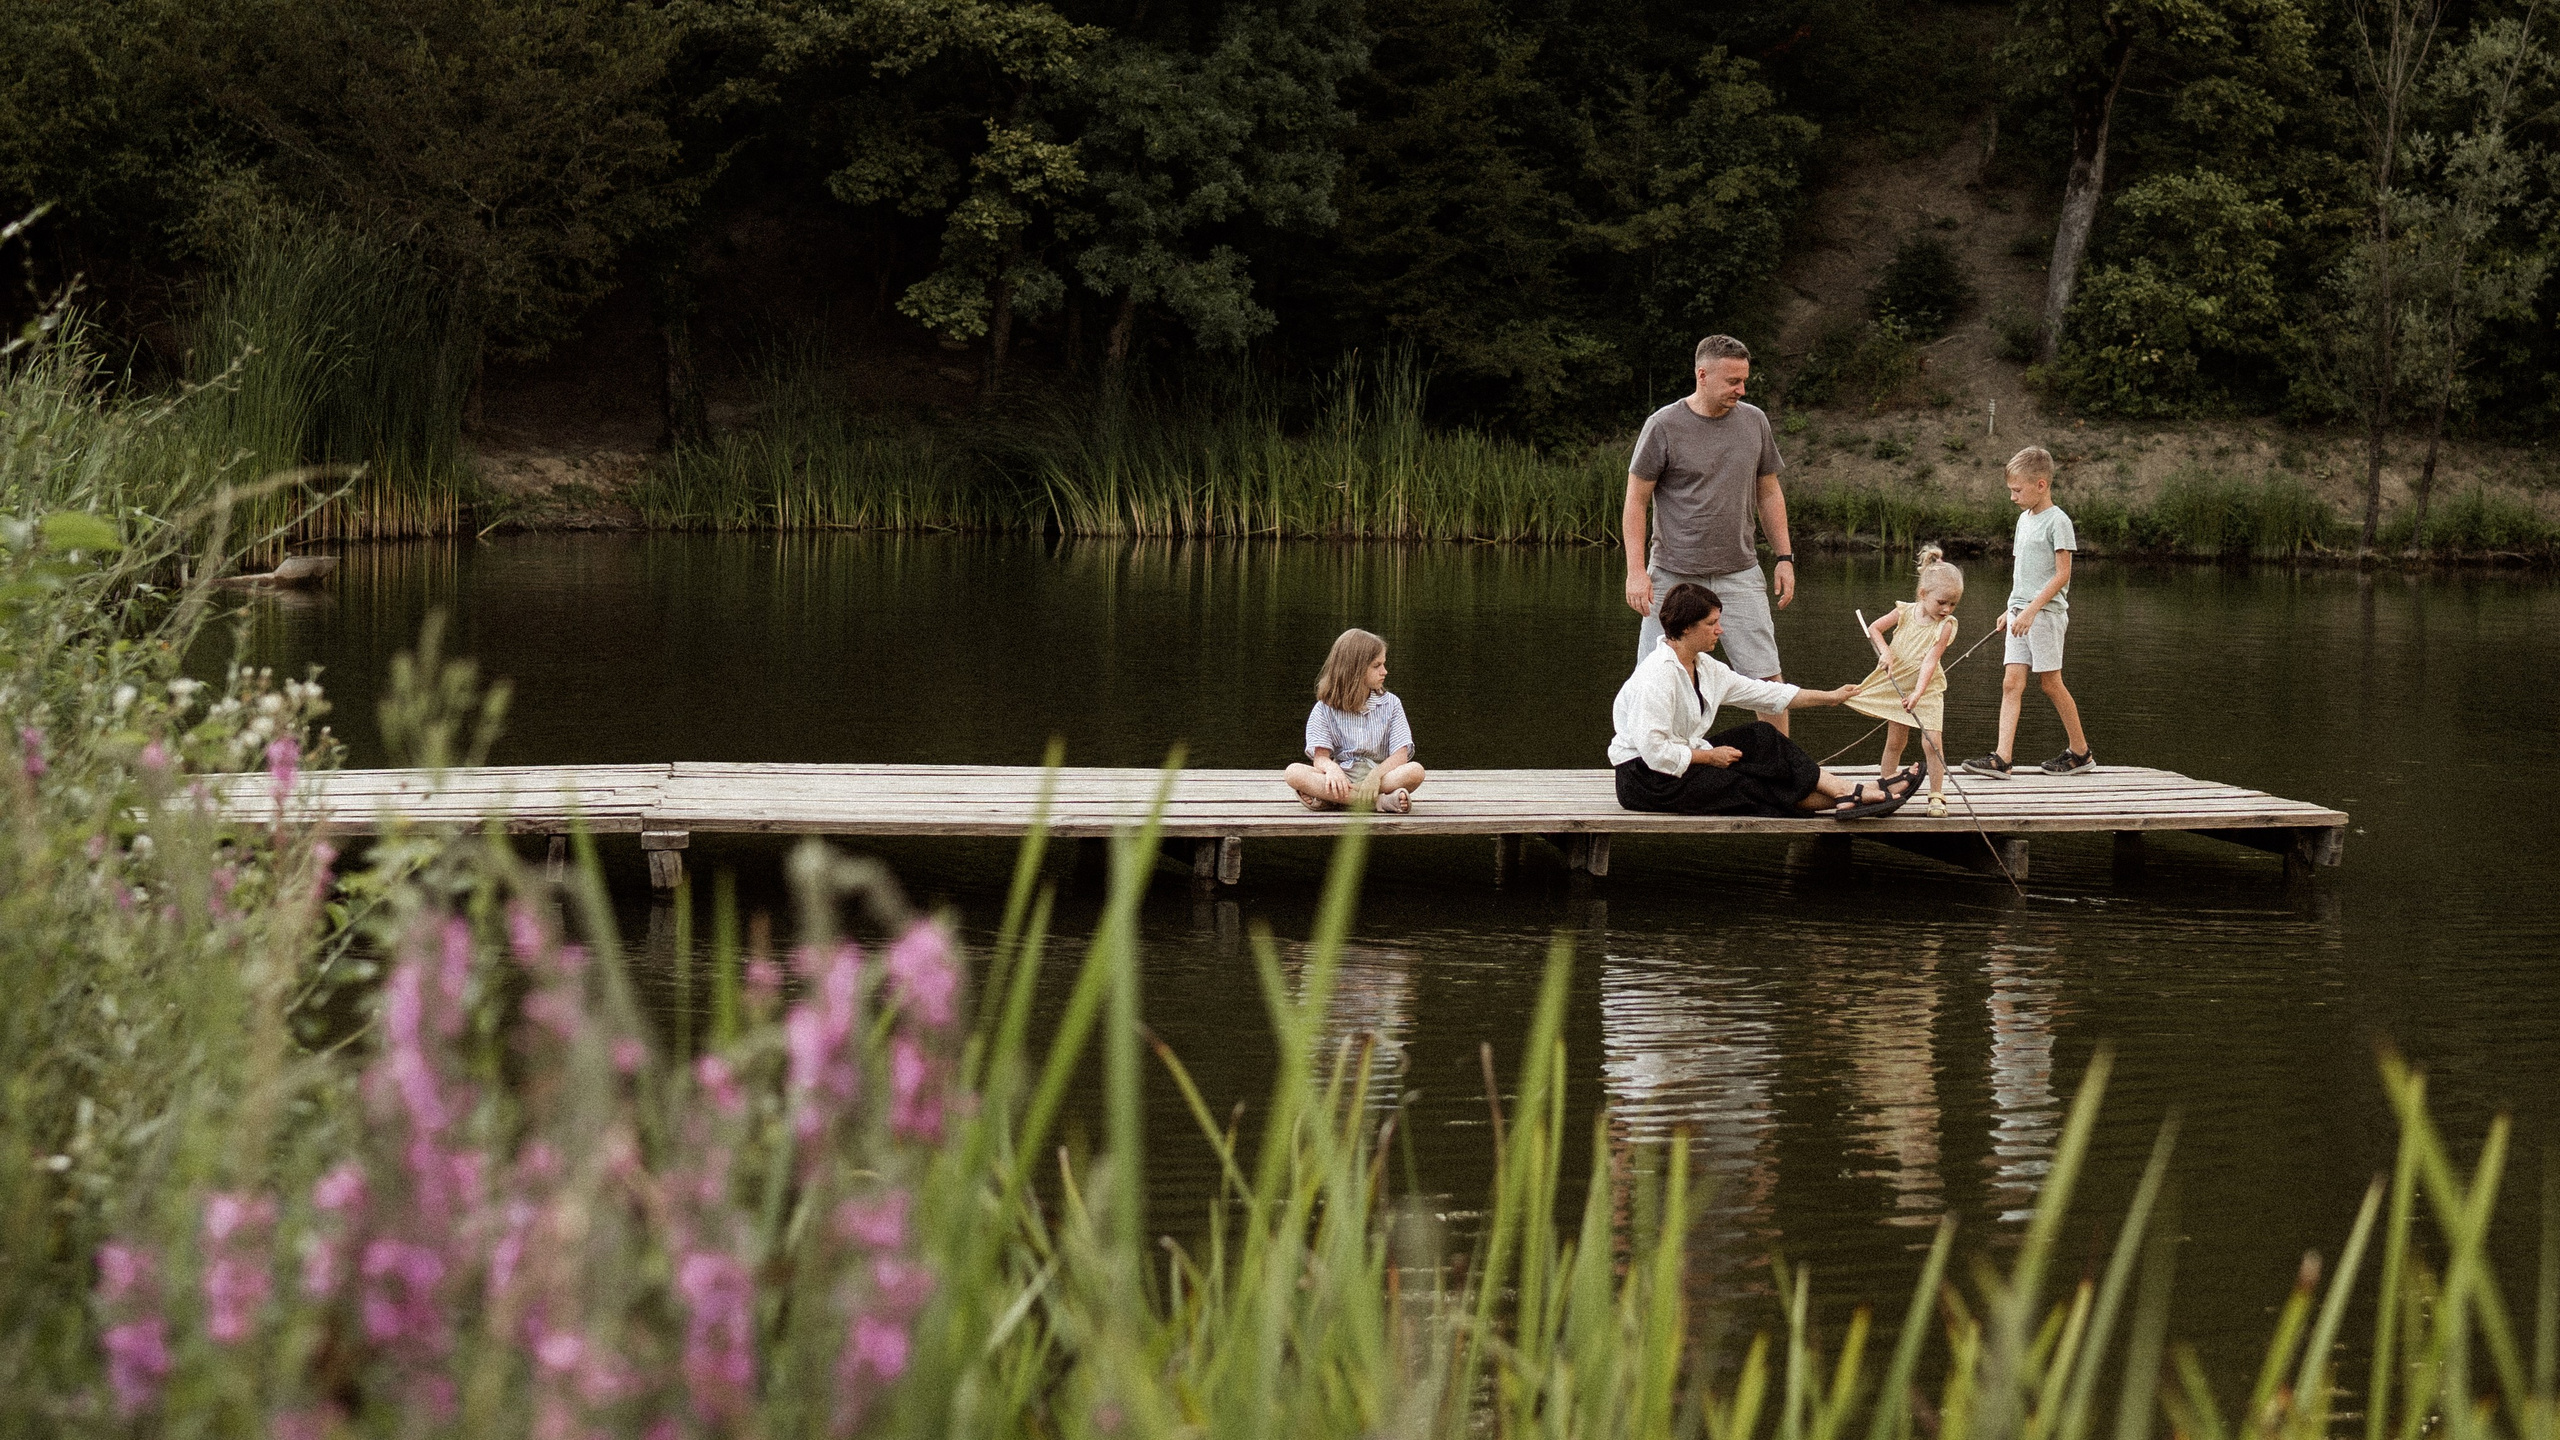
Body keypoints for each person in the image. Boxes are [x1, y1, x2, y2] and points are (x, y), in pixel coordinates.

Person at [1609, 583, 1917, 818]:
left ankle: (1850, 793)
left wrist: (1831, 697)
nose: (1721, 629)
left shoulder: (1705, 667)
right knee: (1742, 785)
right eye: (1711, 623)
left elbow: (1768, 694)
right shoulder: (1657, 676)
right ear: (1686, 627)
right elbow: (1654, 752)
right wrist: (1710, 757)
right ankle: (1865, 793)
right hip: (1647, 780)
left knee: (1762, 735)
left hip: (1678, 763)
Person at [1623, 334, 1800, 735]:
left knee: (1766, 677)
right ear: (1703, 375)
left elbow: (1769, 491)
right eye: (1733, 381)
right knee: (1654, 675)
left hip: (1739, 572)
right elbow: (1635, 501)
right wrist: (1637, 571)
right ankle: (1647, 762)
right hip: (1672, 574)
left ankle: (1781, 768)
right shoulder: (1663, 426)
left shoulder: (1754, 421)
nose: (1741, 389)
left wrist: (1785, 557)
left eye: (1744, 381)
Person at [1964, 446, 2095, 778]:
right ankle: (2002, 758)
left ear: (2041, 485)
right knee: (2011, 682)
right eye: (2011, 490)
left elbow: (2061, 574)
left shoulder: (2058, 521)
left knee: (2050, 683)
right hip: (2020, 614)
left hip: (2045, 615)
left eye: (2017, 490)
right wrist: (2010, 609)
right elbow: (2023, 572)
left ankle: (2080, 752)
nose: (2012, 497)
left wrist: (2031, 611)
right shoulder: (2024, 520)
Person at [1848, 545, 1963, 817]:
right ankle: (1885, 788)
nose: (1947, 609)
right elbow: (1875, 628)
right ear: (1923, 595)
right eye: (1941, 602)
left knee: (1931, 741)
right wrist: (1886, 652)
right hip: (1898, 684)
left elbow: (1929, 662)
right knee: (1895, 741)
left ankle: (1937, 794)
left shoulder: (1946, 625)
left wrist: (1918, 694)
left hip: (1927, 689)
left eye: (1953, 604)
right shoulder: (1904, 612)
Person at [1287, 628, 1426, 814]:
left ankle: (1331, 801)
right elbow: (1320, 757)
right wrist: (1332, 770)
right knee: (1293, 772)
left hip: (1380, 775)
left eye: (1383, 664)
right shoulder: (1324, 708)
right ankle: (1378, 802)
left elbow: (1400, 756)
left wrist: (1375, 776)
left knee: (1415, 771)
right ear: (1355, 669)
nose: (1385, 671)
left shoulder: (1391, 704)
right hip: (1343, 776)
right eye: (1377, 666)